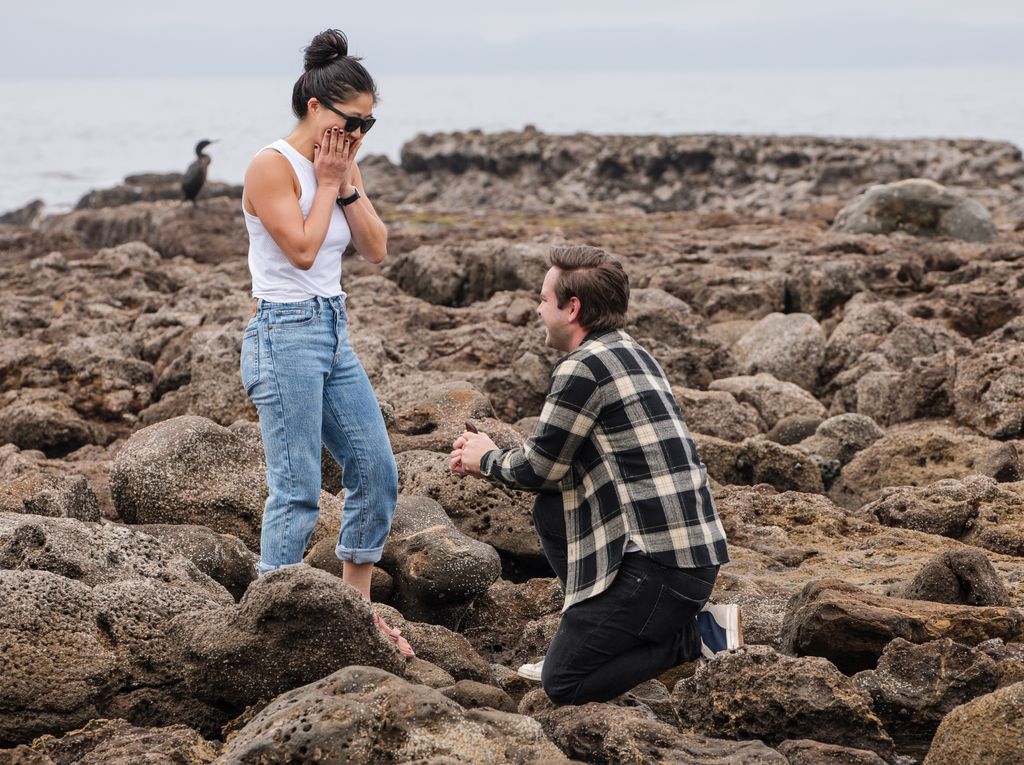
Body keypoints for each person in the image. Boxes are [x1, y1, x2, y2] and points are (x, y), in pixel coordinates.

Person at [450, 245, 741, 704]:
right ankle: (588, 632)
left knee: (564, 682)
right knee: (551, 510)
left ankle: (697, 635)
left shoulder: (582, 368)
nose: (537, 309)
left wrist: (483, 459)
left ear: (572, 308)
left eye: (543, 300)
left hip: (661, 573)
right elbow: (557, 471)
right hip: (692, 559)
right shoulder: (632, 352)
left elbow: (539, 466)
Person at [240, 29, 412, 656]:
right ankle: (268, 627)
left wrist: (345, 182)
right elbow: (305, 248)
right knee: (297, 491)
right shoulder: (270, 166)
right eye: (352, 121)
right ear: (316, 109)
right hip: (283, 334)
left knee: (375, 472)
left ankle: (356, 611)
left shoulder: (345, 164)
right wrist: (327, 176)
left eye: (369, 124)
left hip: (334, 329)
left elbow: (375, 248)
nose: (360, 134)